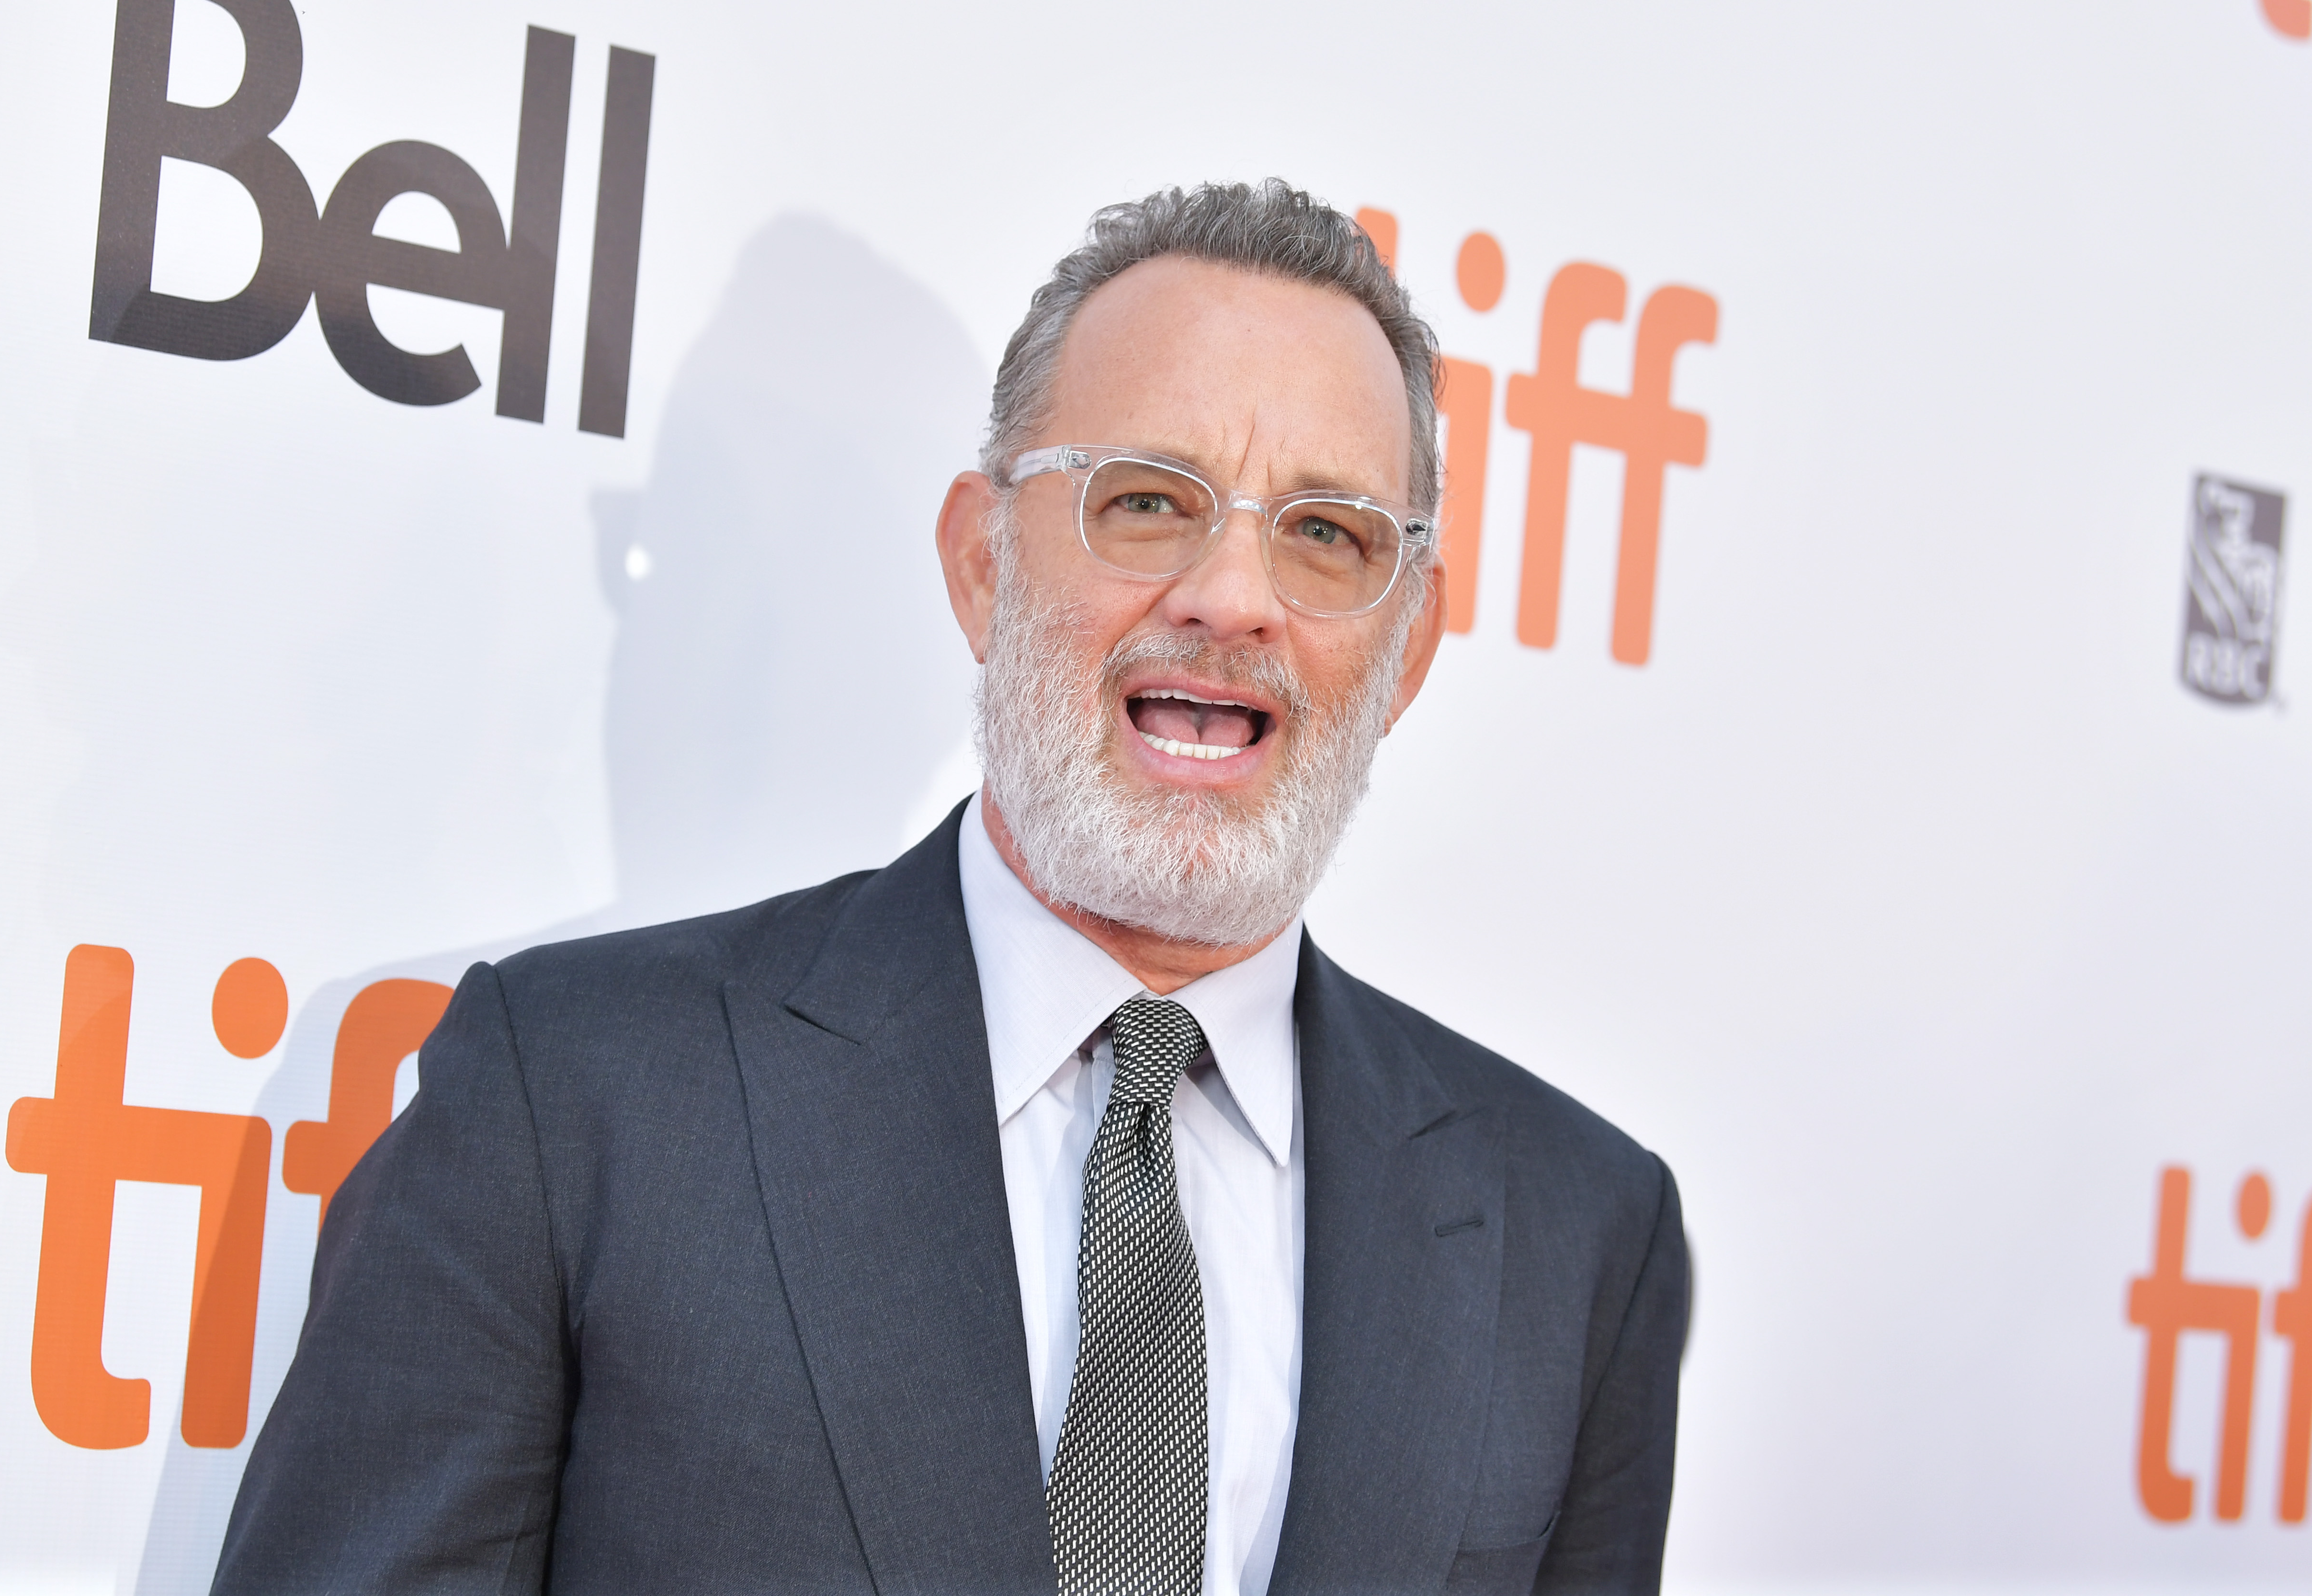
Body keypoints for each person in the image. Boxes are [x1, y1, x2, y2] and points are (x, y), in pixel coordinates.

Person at [213, 180, 1688, 1596]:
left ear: (1409, 652)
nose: (1233, 598)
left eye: (1325, 534)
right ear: (983, 565)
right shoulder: (575, 1099)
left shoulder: (1579, 1236)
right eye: (1150, 502)